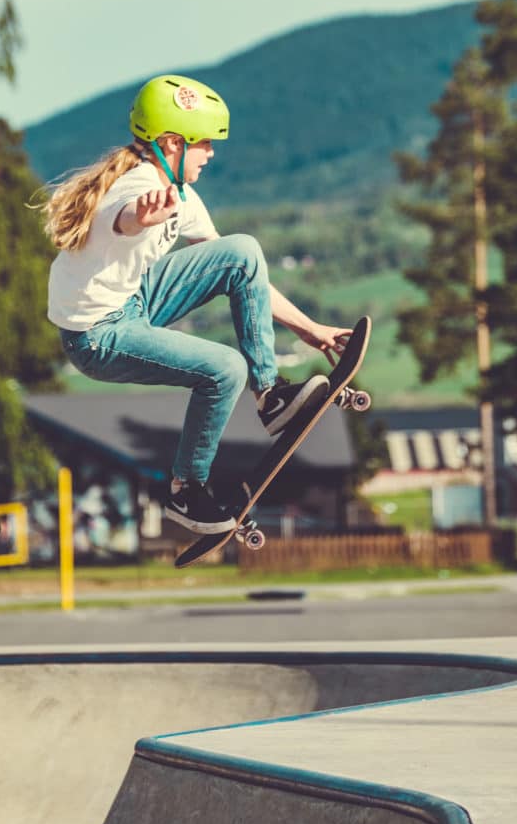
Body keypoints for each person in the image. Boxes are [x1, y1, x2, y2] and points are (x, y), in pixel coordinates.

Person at [38, 74, 352, 535]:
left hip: (134, 301)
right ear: (171, 143)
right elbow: (122, 218)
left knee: (243, 251)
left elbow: (245, 274)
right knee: (225, 368)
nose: (211, 153)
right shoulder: (135, 188)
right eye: (204, 143)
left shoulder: (181, 194)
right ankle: (187, 492)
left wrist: (308, 329)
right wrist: (140, 218)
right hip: (97, 336)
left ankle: (271, 397)